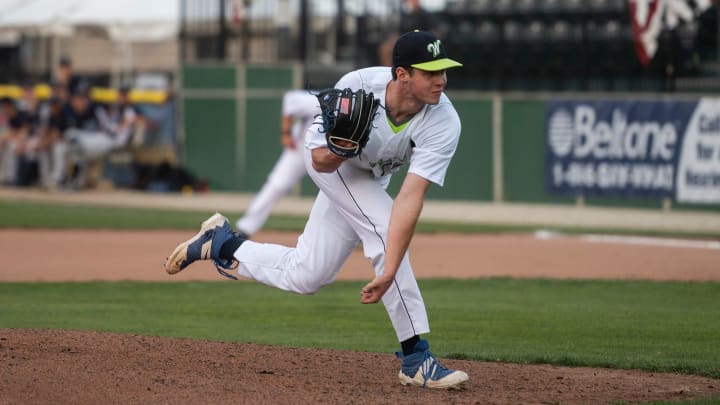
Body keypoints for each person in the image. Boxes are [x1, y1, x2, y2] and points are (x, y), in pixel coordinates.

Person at [165, 30, 468, 389]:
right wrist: (343, 147)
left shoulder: (444, 120)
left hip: (373, 178)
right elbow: (320, 162)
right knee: (385, 231)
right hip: (332, 163)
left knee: (308, 275)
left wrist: (389, 269)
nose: (441, 80)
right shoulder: (357, 86)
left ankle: (221, 244)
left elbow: (410, 197)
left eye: (444, 70)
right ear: (402, 74)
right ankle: (416, 357)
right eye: (431, 72)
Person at [234, 89, 321, 238]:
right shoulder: (321, 101)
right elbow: (290, 99)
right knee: (276, 185)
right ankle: (245, 228)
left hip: (330, 156)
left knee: (342, 194)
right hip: (300, 151)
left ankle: (355, 236)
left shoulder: (356, 109)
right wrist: (286, 133)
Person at [379, 0, 441, 66]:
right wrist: (393, 39)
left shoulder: (425, 14)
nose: (410, 3)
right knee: (385, 48)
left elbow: (436, 30)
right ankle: (390, 71)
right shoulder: (406, 15)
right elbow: (400, 32)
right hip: (404, 40)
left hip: (419, 41)